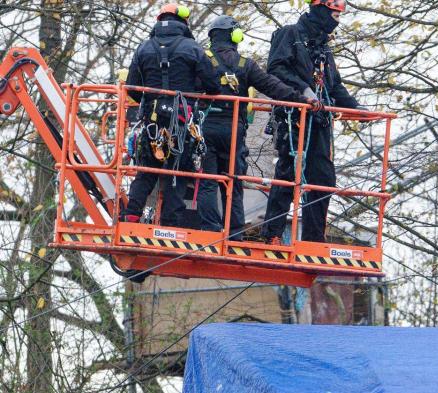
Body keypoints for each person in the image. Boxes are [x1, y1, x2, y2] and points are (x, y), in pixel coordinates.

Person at [196, 15, 317, 238]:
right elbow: (273, 86)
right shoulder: (245, 65)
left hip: (208, 128)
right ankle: (235, 234)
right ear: (235, 36)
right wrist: (301, 99)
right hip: (234, 131)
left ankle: (209, 230)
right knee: (234, 183)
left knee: (208, 182)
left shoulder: (202, 60)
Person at [261, 0, 361, 244]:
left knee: (323, 178)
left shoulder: (324, 49)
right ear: (321, 11)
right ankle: (272, 234)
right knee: (288, 173)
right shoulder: (289, 35)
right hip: (293, 117)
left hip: (318, 121)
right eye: (335, 15)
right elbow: (276, 69)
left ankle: (313, 240)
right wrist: (304, 89)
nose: (336, 21)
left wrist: (356, 108)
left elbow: (334, 85)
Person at [122, 3, 220, 227]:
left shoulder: (143, 48)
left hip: (152, 121)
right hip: (182, 121)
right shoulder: (193, 48)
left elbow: (132, 87)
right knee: (177, 171)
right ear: (184, 22)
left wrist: (148, 104)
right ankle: (169, 223)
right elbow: (213, 85)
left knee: (147, 169)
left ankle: (131, 214)